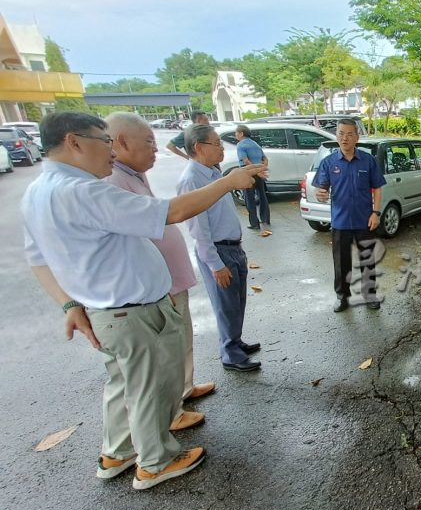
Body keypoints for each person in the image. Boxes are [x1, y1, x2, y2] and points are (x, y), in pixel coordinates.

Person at [22, 112, 264, 490]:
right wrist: (229, 181)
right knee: (148, 389)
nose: (111, 152)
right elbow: (174, 212)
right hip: (130, 311)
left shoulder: (38, 191)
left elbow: (37, 259)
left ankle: (117, 452)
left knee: (122, 385)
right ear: (73, 141)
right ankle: (155, 461)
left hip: (105, 311)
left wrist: (69, 305)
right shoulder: (84, 191)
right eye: (105, 141)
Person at [103, 113, 216, 431]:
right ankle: (171, 413)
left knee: (181, 338)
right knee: (164, 352)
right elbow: (174, 213)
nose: (156, 148)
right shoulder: (113, 180)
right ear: (121, 142)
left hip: (168, 280)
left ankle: (183, 388)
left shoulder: (134, 175)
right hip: (151, 287)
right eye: (149, 142)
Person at [177, 124, 262, 372]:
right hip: (218, 251)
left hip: (232, 247)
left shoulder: (214, 174)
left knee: (236, 301)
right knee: (225, 305)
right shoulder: (192, 180)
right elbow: (198, 229)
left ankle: (235, 341)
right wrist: (215, 264)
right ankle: (230, 353)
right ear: (198, 147)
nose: (221, 148)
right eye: (216, 143)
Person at [312, 119, 386, 312]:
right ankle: (342, 297)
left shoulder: (368, 160)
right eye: (341, 133)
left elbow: (377, 188)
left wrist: (376, 213)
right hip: (340, 221)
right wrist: (319, 194)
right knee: (341, 263)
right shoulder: (328, 163)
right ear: (336, 135)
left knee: (368, 260)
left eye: (349, 134)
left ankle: (370, 295)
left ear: (357, 137)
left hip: (365, 220)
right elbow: (321, 190)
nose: (344, 138)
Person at [234, 124, 271, 231]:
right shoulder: (256, 144)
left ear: (241, 133)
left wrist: (255, 171)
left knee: (249, 199)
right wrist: (261, 170)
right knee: (262, 196)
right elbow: (265, 159)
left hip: (248, 173)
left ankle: (254, 223)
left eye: (236, 133)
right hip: (259, 173)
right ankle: (265, 219)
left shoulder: (241, 145)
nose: (235, 135)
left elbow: (245, 160)